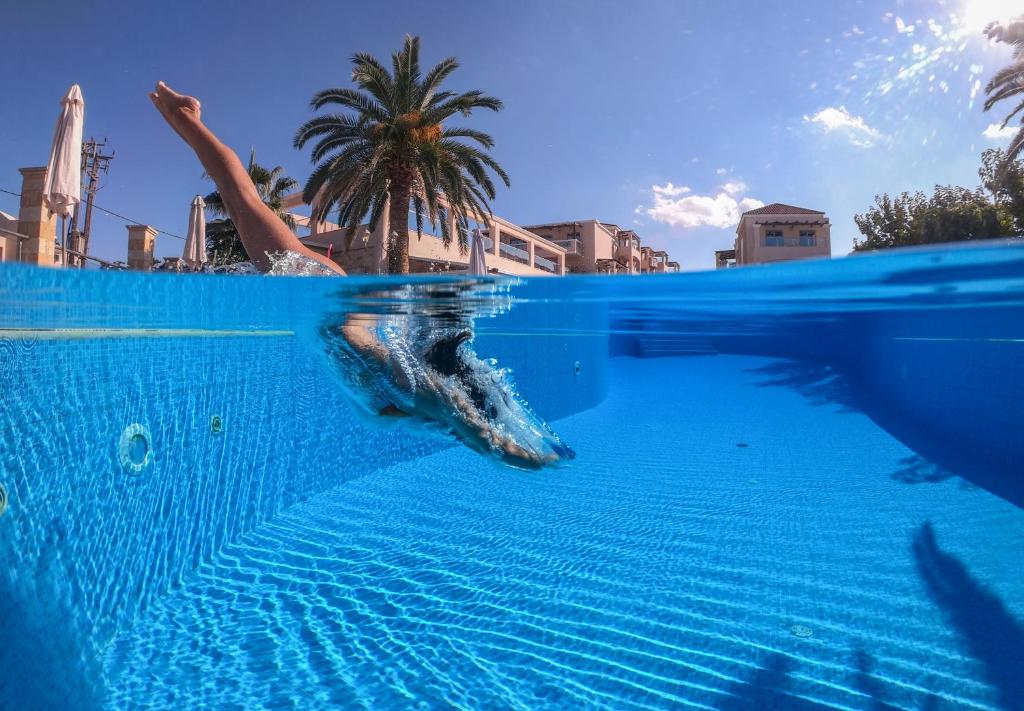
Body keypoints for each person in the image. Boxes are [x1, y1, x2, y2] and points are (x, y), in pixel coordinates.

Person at [150, 82, 573, 469]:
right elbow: (481, 436)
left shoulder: (406, 401)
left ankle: (188, 120)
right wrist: (536, 460)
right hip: (318, 290)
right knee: (242, 203)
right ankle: (186, 118)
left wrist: (538, 444)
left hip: (330, 299)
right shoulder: (426, 394)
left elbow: (463, 426)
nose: (458, 421)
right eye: (464, 412)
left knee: (244, 203)